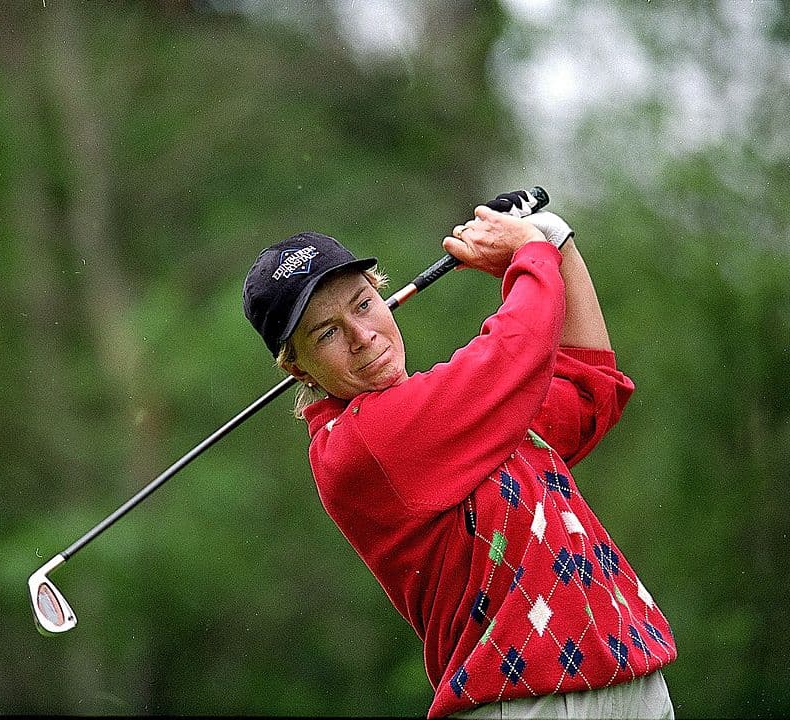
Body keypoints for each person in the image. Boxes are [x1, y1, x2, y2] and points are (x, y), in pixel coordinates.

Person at [241, 192, 677, 719]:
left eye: (363, 304)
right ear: (300, 369)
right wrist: (531, 255)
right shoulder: (359, 448)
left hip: (631, 676)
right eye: (327, 332)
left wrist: (557, 244)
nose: (361, 335)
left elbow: (587, 389)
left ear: (385, 297)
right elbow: (514, 353)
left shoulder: (472, 416)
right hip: (524, 701)